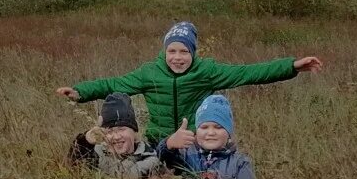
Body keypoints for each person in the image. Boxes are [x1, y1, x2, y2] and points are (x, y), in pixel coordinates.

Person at [56, 21, 322, 147]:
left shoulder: (206, 71)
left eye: (184, 52)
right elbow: (115, 84)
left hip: (194, 141)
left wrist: (291, 66)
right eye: (172, 51)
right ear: (164, 51)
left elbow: (248, 73)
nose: (178, 58)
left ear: (193, 53)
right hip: (157, 141)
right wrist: (80, 92)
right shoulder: (150, 72)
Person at [157, 94, 256, 179]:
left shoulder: (240, 163)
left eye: (218, 127)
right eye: (204, 127)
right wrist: (168, 143)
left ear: (228, 132)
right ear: (196, 131)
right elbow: (161, 158)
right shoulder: (186, 153)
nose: (211, 132)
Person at [68, 92, 162, 179]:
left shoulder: (150, 158)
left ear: (134, 131)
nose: (116, 137)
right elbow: (73, 164)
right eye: (110, 131)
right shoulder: (98, 152)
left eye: (122, 129)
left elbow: (126, 177)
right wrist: (85, 140)